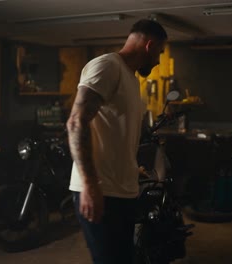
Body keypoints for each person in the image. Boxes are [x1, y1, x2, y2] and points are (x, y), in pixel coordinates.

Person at [66, 19, 168, 264]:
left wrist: (132, 169)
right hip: (101, 190)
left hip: (122, 190)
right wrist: (91, 187)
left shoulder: (130, 79)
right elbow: (76, 123)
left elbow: (115, 134)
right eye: (159, 53)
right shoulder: (107, 66)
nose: (158, 60)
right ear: (149, 45)